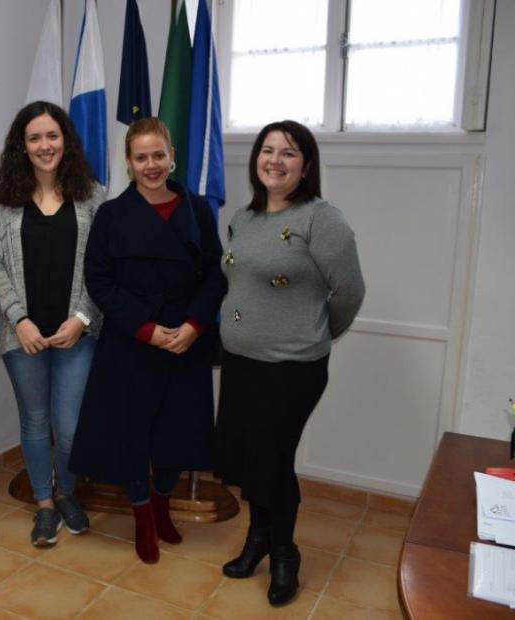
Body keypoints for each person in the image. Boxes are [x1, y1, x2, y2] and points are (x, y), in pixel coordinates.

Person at [214, 120, 365, 605]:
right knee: (250, 458)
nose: (275, 160)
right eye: (268, 150)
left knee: (273, 460)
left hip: (291, 370)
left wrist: (316, 333)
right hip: (240, 363)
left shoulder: (322, 219)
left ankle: (283, 553)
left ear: (306, 166)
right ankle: (257, 539)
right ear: (256, 158)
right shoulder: (244, 217)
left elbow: (349, 292)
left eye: (289, 153)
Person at [69, 117, 226, 564]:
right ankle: (141, 514)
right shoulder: (112, 215)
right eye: (142, 157)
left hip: (185, 340)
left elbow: (215, 273)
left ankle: (161, 501)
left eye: (159, 155)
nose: (151, 165)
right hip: (132, 341)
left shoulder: (197, 209)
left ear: (172, 155)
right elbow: (99, 281)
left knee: (180, 433)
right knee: (132, 435)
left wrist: (194, 325)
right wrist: (145, 328)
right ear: (129, 162)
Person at [0, 101, 106, 547]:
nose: (44, 145)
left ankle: (68, 490)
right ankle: (44, 504)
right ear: (22, 145)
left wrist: (81, 317)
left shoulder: (93, 195)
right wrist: (18, 320)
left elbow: (102, 265)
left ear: (66, 141)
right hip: (24, 337)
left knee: (70, 425)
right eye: (34, 137)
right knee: (35, 423)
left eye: (51, 136)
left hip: (77, 333)